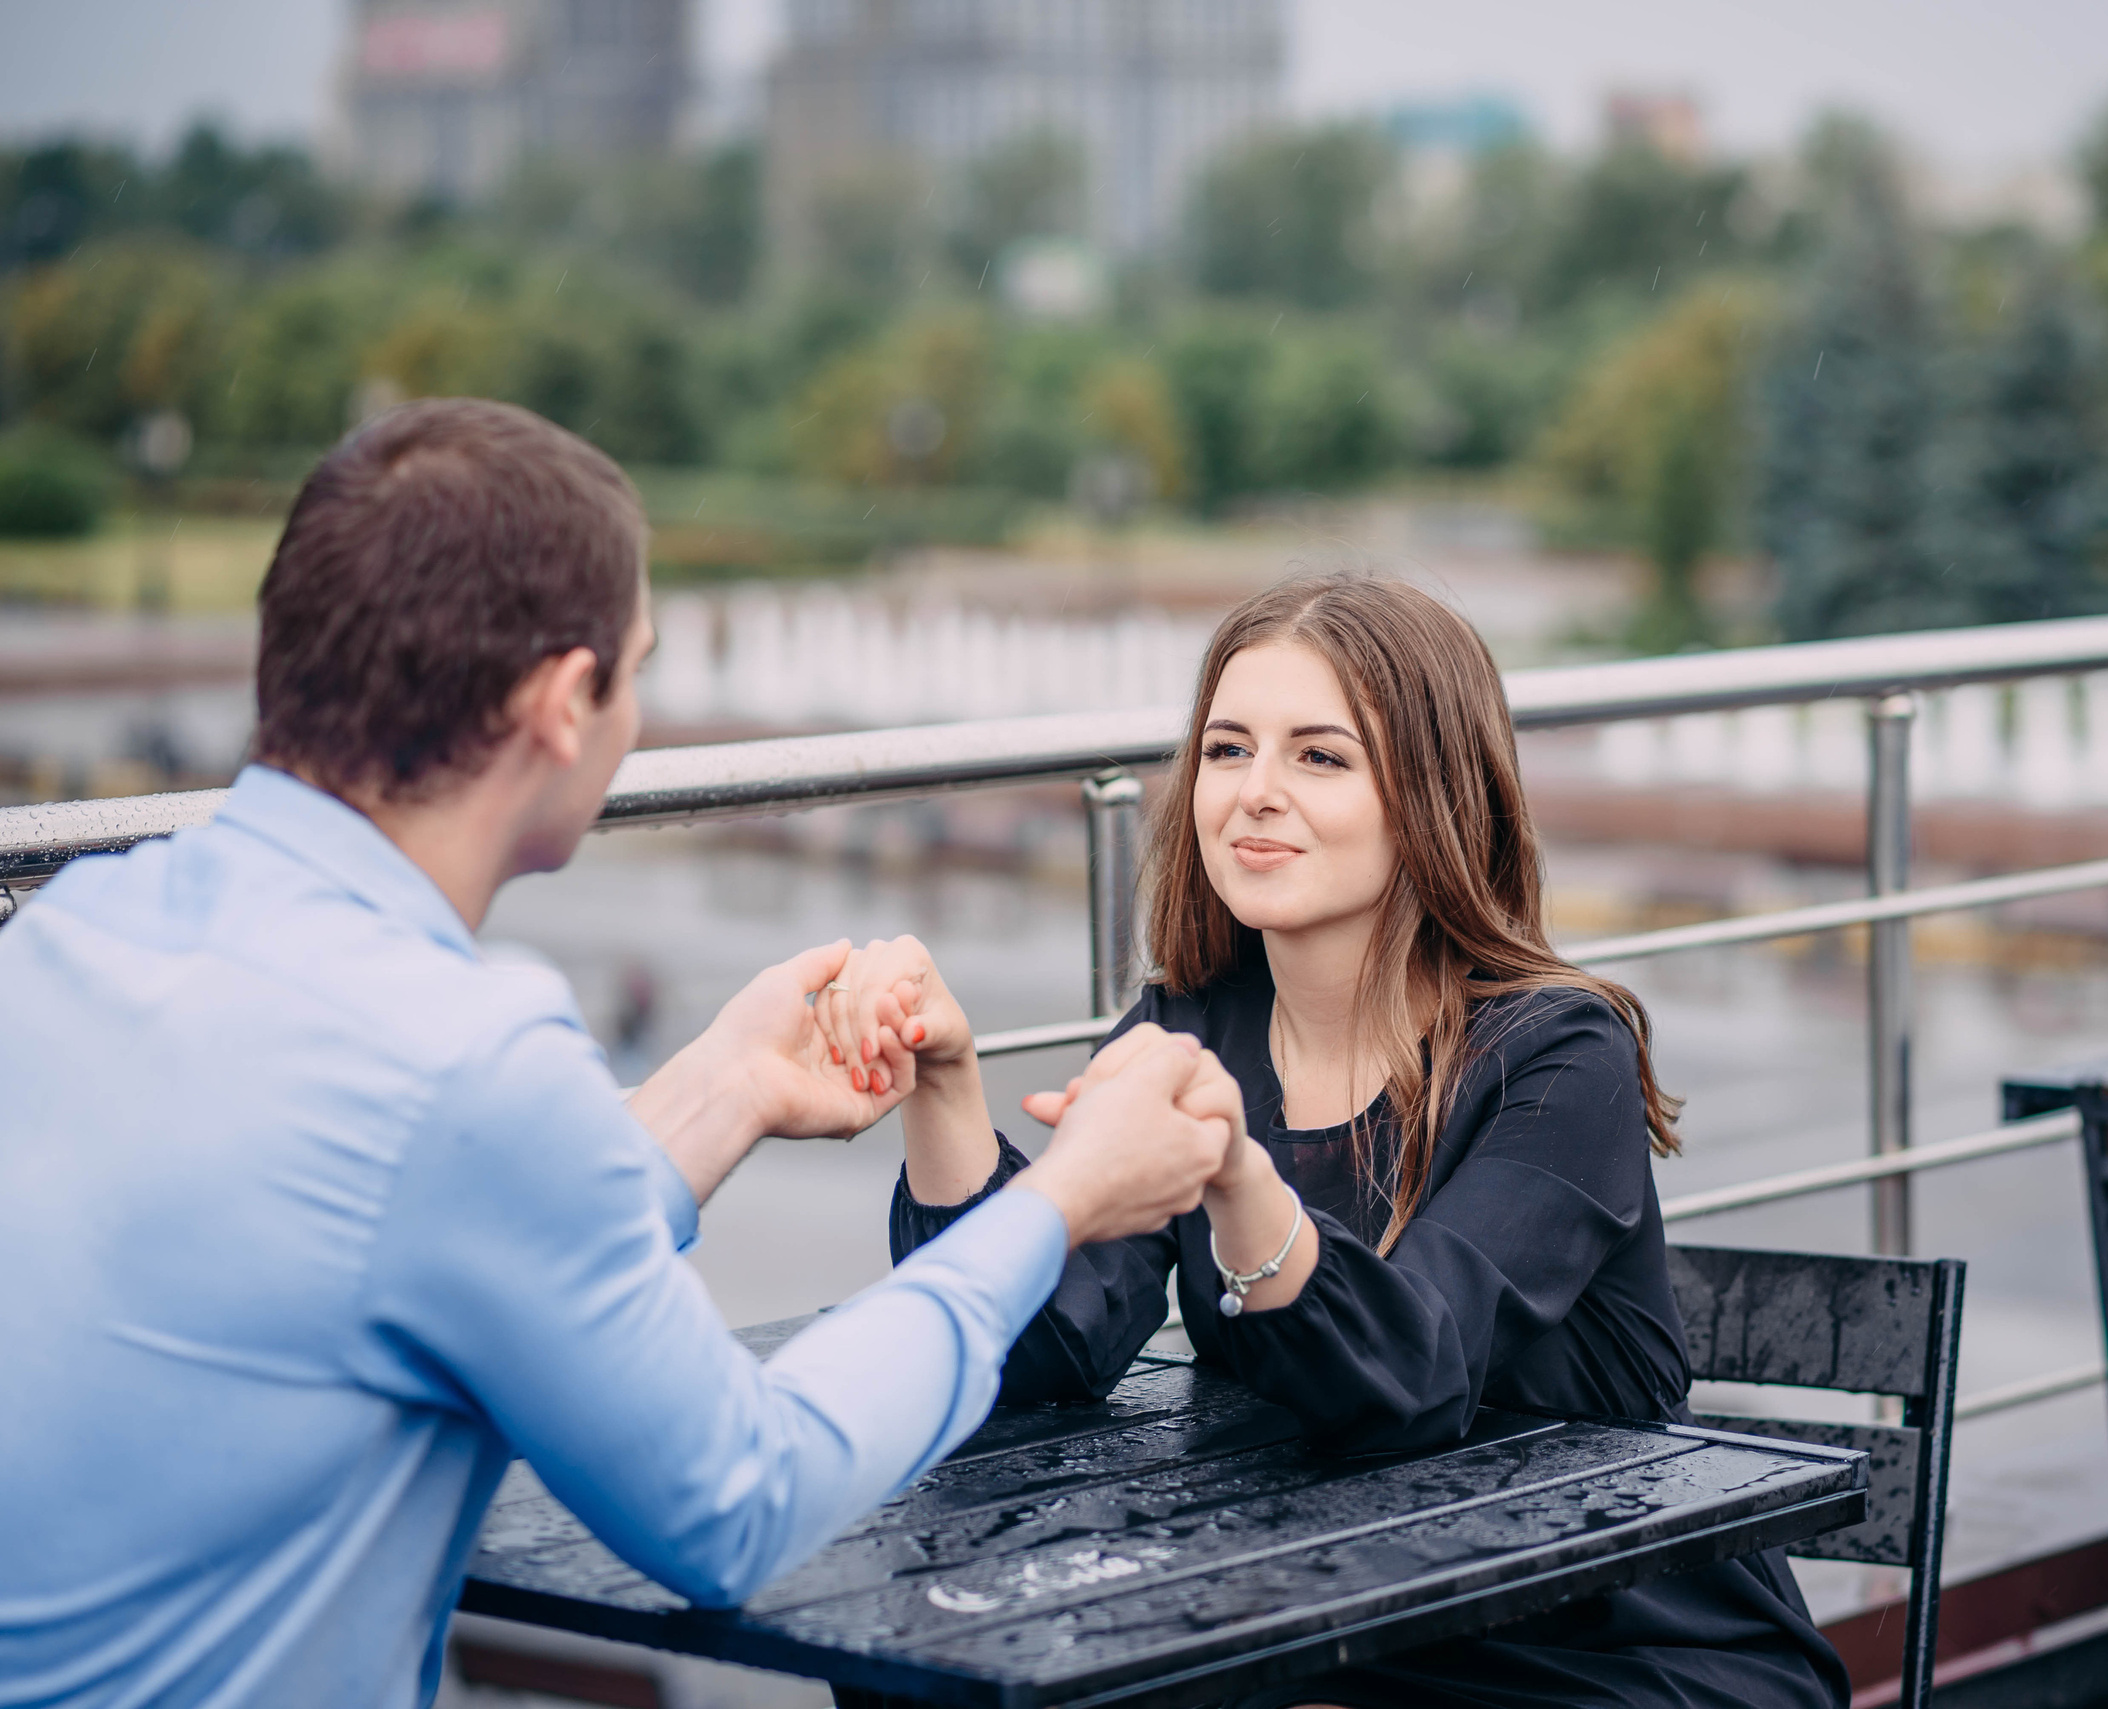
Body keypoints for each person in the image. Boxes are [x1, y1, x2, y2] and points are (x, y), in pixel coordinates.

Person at [0, 399, 1237, 1709]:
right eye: (633, 671)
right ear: (562, 703)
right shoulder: (461, 1056)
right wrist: (1058, 1201)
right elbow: (742, 1501)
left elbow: (408, 1224)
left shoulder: (76, 931)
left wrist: (728, 1084)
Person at [827, 576, 1852, 1709]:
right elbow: (1051, 1350)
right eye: (1226, 750)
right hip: (1341, 1617)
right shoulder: (1193, 1021)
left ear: (1430, 796)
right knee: (916, 1673)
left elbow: (1410, 1374)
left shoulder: (1560, 1053)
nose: (1254, 794)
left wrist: (1237, 1176)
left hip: (1604, 1642)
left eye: (1319, 756)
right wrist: (943, 1089)